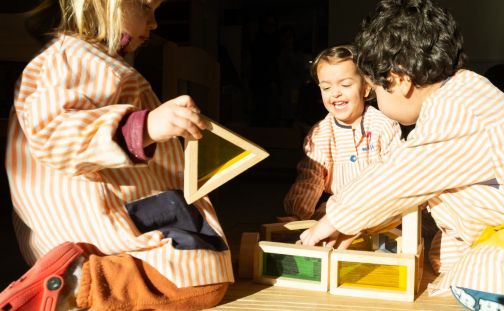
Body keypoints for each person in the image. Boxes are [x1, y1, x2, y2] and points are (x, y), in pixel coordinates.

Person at [299, 0, 504, 310]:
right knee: (459, 268)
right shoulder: (457, 103)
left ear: (399, 81)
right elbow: (454, 209)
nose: (378, 103)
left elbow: (400, 177)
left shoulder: (458, 110)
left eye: (377, 92)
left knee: (481, 279)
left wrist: (333, 219)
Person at [0, 0, 232, 310]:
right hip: (84, 222)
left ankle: (84, 279)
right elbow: (55, 134)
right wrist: (146, 126)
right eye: (146, 8)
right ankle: (76, 282)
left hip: (118, 208)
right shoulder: (71, 58)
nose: (154, 24)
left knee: (207, 261)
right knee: (201, 277)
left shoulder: (97, 61)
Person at [279, 45, 402, 241]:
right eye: (326, 88)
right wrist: (297, 214)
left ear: (366, 87)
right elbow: (311, 178)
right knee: (318, 230)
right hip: (337, 209)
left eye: (345, 85)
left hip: (379, 207)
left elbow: (396, 173)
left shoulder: (384, 125)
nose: (335, 93)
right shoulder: (320, 133)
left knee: (390, 231)